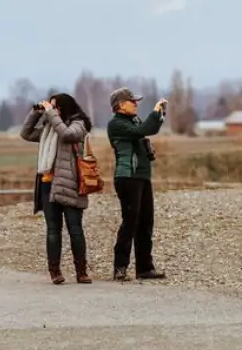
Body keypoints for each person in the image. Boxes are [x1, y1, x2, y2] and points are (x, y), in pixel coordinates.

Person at [20, 93, 94, 285]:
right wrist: (35, 113)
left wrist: (51, 115)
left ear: (65, 108)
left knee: (75, 229)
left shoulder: (78, 124)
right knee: (53, 230)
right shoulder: (48, 129)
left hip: (70, 184)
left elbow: (67, 135)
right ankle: (55, 271)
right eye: (50, 107)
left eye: (56, 107)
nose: (52, 111)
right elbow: (26, 134)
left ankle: (81, 271)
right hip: (48, 184)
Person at [107, 87, 167, 281]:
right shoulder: (116, 124)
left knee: (146, 222)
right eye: (132, 101)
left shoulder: (134, 121)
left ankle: (144, 268)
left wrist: (160, 114)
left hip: (142, 177)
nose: (136, 104)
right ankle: (120, 267)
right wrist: (154, 112)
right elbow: (142, 131)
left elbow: (150, 129)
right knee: (130, 222)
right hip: (127, 177)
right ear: (120, 105)